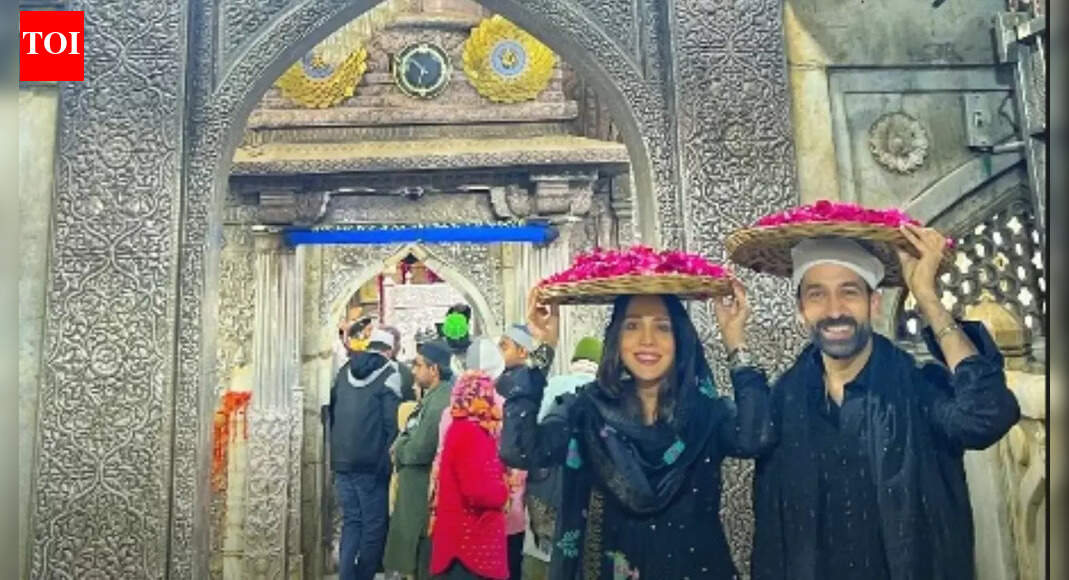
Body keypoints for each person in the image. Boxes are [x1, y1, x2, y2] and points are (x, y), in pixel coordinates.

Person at [743, 228, 1021, 579]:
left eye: (849, 292)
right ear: (801, 310)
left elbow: (986, 416)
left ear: (873, 304)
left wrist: (926, 298)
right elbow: (773, 534)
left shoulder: (917, 387)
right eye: (817, 295)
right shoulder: (784, 398)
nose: (834, 310)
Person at [499, 284, 771, 579]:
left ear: (680, 339)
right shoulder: (584, 412)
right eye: (632, 326)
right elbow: (519, 449)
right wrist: (541, 350)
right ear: (616, 338)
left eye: (662, 327)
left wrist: (735, 339)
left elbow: (754, 437)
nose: (647, 340)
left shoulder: (706, 415)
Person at [521, 337, 603, 580]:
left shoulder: (554, 384)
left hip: (548, 481)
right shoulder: (606, 392)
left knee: (545, 553)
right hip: (589, 486)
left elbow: (534, 434)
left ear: (575, 359)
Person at [329, 327, 403, 580]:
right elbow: (391, 424)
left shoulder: (343, 371)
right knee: (373, 526)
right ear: (390, 350)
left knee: (351, 522)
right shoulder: (390, 373)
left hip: (341, 462)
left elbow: (332, 414)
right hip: (372, 465)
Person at [430, 370, 511, 580]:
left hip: (463, 546)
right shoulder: (470, 433)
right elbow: (479, 491)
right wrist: (503, 492)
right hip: (469, 548)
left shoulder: (463, 429)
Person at [385, 340, 456, 580]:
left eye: (418, 365)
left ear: (434, 369)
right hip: (416, 491)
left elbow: (419, 450)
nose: (413, 371)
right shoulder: (434, 398)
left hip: (421, 493)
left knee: (422, 558)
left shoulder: (439, 403)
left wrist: (400, 450)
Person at [496, 325, 537, 579]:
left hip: (516, 476)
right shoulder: (505, 380)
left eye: (505, 346)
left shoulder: (524, 382)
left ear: (523, 351)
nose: (500, 352)